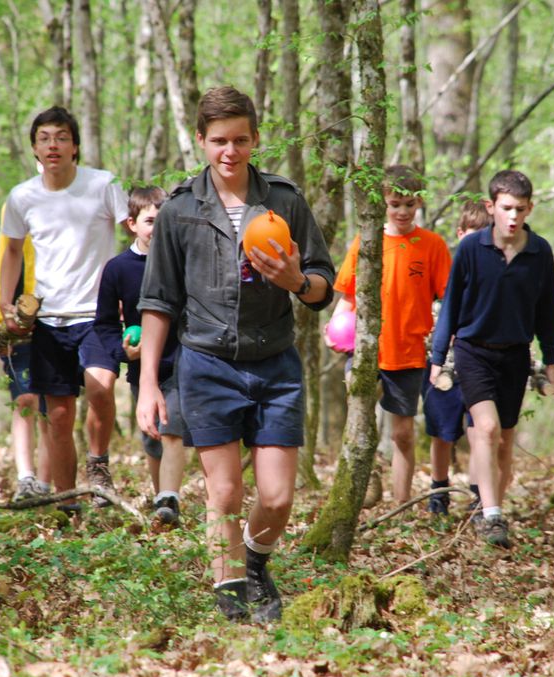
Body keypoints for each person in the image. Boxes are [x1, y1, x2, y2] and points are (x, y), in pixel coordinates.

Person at [137, 86, 334, 623]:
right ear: (200, 140)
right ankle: (229, 591)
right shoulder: (179, 210)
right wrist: (151, 383)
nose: (230, 151)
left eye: (241, 140)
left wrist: (298, 281)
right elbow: (158, 302)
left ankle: (256, 562)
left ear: (255, 139)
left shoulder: (285, 201)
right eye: (219, 140)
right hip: (206, 364)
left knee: (276, 496)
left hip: (275, 364)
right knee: (223, 490)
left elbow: (323, 285)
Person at [0, 106, 129, 512]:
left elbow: (137, 231)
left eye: (61, 137)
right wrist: (6, 302)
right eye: (44, 138)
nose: (52, 145)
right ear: (35, 149)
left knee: (100, 387)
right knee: (56, 416)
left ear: (75, 146)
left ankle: (99, 462)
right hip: (49, 320)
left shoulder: (104, 184)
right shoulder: (23, 196)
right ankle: (66, 500)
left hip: (99, 314)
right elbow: (14, 251)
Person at [429, 170, 554, 549]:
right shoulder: (471, 249)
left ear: (530, 208)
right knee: (484, 428)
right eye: (505, 208)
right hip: (473, 350)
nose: (513, 216)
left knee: (503, 440)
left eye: (520, 209)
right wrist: (439, 357)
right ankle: (491, 515)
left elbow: (548, 308)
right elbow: (452, 304)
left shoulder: (540, 252)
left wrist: (550, 359)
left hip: (515, 355)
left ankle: (490, 505)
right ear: (491, 207)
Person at [326, 165, 452, 505]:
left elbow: (448, 299)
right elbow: (349, 294)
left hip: (409, 350)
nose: (402, 211)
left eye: (409, 204)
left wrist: (449, 341)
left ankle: (399, 506)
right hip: (366, 348)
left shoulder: (432, 245)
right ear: (383, 202)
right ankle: (358, 487)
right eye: (395, 203)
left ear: (419, 203)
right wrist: (334, 327)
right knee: (359, 414)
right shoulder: (367, 242)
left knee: (403, 435)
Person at [94, 186, 188, 525]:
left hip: (183, 359)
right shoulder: (118, 268)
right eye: (150, 221)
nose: (157, 229)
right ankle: (162, 501)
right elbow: (103, 323)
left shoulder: (183, 260)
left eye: (164, 221)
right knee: (152, 437)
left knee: (172, 425)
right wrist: (123, 351)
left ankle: (169, 498)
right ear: (132, 223)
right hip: (141, 366)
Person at [422, 200, 489, 515]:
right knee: (442, 432)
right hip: (444, 366)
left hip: (482, 367)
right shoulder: (448, 271)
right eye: (471, 233)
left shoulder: (496, 276)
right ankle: (438, 493)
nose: (477, 240)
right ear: (461, 233)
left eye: (484, 233)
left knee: (480, 433)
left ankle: (479, 497)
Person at [0, 204, 52, 502]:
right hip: (19, 316)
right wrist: (5, 315)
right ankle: (25, 477)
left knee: (52, 405)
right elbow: (8, 256)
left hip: (62, 314)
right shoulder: (19, 203)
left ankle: (46, 481)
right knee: (25, 398)